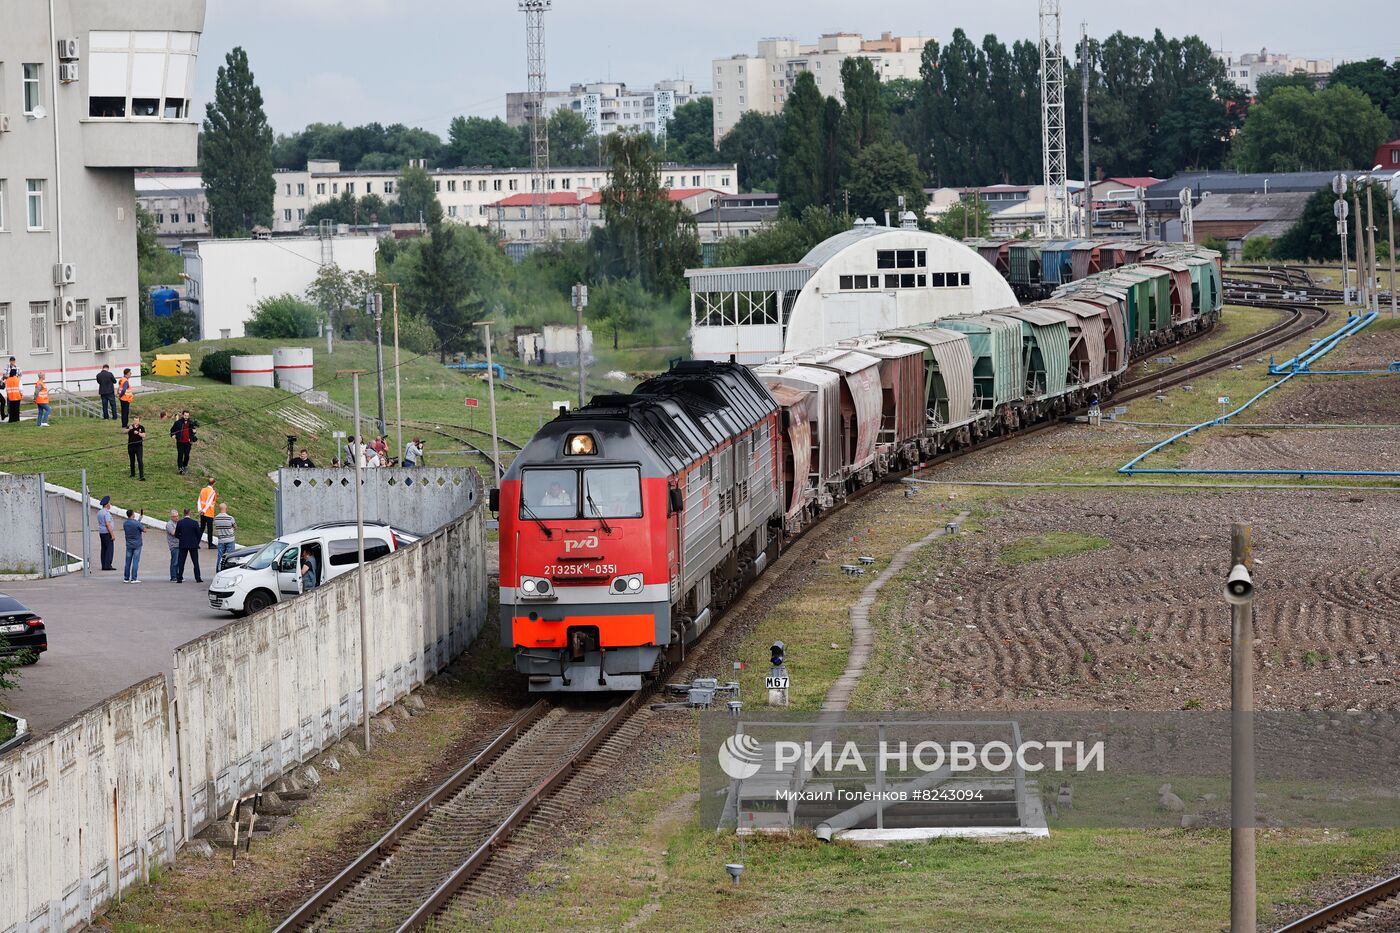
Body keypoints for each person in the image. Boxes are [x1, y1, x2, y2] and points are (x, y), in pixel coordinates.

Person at [174, 508, 203, 583]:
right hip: (193, 544)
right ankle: (198, 578)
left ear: (184, 513)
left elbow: (176, 534)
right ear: (189, 513)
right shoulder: (194, 523)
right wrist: (195, 541)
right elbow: (199, 534)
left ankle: (179, 578)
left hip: (183, 544)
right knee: (195, 561)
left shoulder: (180, 523)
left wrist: (182, 538)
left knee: (181, 561)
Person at [170, 409, 198, 474]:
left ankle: (185, 466)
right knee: (180, 455)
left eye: (187, 416)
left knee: (187, 455)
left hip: (188, 442)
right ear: (183, 415)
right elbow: (172, 430)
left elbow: (193, 432)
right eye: (185, 415)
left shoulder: (191, 423)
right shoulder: (178, 422)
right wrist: (172, 435)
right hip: (180, 442)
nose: (186, 417)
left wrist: (194, 431)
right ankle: (180, 468)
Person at [122, 508, 145, 583]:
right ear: (132, 515)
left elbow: (134, 526)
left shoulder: (125, 523)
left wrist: (139, 520)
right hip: (137, 544)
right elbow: (144, 530)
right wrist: (139, 522)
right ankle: (134, 578)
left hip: (129, 544)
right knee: (135, 561)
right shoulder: (136, 523)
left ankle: (126, 578)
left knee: (128, 562)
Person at [213, 503, 237, 571]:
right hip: (230, 540)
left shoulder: (216, 518)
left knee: (220, 556)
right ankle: (228, 571)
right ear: (226, 509)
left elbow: (216, 527)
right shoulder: (230, 518)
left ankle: (218, 570)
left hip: (221, 540)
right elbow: (235, 527)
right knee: (230, 557)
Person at [197, 478, 218, 549]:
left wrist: (200, 510)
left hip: (202, 512)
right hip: (209, 512)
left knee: (202, 527)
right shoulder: (212, 492)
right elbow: (209, 502)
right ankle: (210, 544)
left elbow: (199, 500)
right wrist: (204, 510)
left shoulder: (203, 489)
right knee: (209, 529)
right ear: (214, 483)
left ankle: (197, 543)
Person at [96, 495, 116, 571]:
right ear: (107, 504)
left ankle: (104, 565)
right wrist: (112, 534)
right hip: (107, 532)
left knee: (104, 549)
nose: (110, 504)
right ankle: (108, 565)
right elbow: (108, 524)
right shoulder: (106, 513)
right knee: (109, 549)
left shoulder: (100, 512)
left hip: (101, 532)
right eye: (109, 503)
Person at [126, 416, 147, 480]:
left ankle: (141, 476)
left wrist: (138, 433)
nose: (135, 422)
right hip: (130, 446)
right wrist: (129, 429)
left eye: (137, 421)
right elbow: (124, 431)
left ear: (139, 421)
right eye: (134, 420)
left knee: (140, 460)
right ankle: (132, 474)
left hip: (138, 447)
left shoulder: (141, 427)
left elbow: (144, 435)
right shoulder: (130, 426)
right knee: (132, 461)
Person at [165, 509, 181, 582]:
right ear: (171, 517)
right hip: (174, 545)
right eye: (175, 516)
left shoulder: (179, 523)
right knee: (175, 561)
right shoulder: (169, 524)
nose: (176, 518)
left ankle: (178, 575)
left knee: (179, 561)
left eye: (177, 516)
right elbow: (174, 533)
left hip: (180, 544)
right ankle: (173, 576)